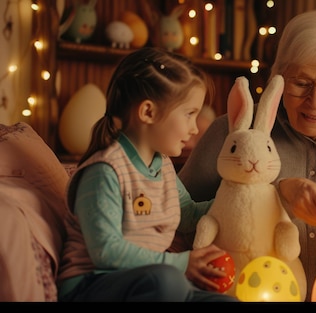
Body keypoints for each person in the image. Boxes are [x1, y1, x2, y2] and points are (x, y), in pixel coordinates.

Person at [178, 9, 316, 300]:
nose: (315, 102)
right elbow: (176, 219)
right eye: (302, 83)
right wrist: (277, 192)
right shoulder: (234, 132)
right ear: (280, 77)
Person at [56, 47, 238, 302]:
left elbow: (187, 214)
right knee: (168, 281)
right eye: (189, 114)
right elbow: (105, 252)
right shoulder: (105, 171)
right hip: (92, 284)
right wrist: (181, 263)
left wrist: (237, 201)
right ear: (148, 112)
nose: (195, 128)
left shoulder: (162, 165)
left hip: (153, 281)